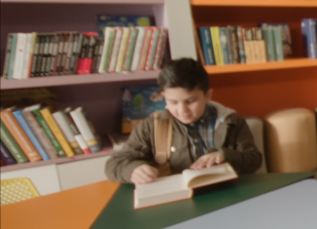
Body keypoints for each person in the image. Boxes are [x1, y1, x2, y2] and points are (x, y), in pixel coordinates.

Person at [106, 57, 262, 184]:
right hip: (177, 199)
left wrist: (224, 155)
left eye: (191, 101)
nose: (182, 110)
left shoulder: (232, 122)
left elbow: (254, 160)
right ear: (163, 97)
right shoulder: (151, 126)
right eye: (173, 102)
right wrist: (133, 169)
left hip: (225, 193)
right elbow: (114, 164)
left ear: (208, 95)